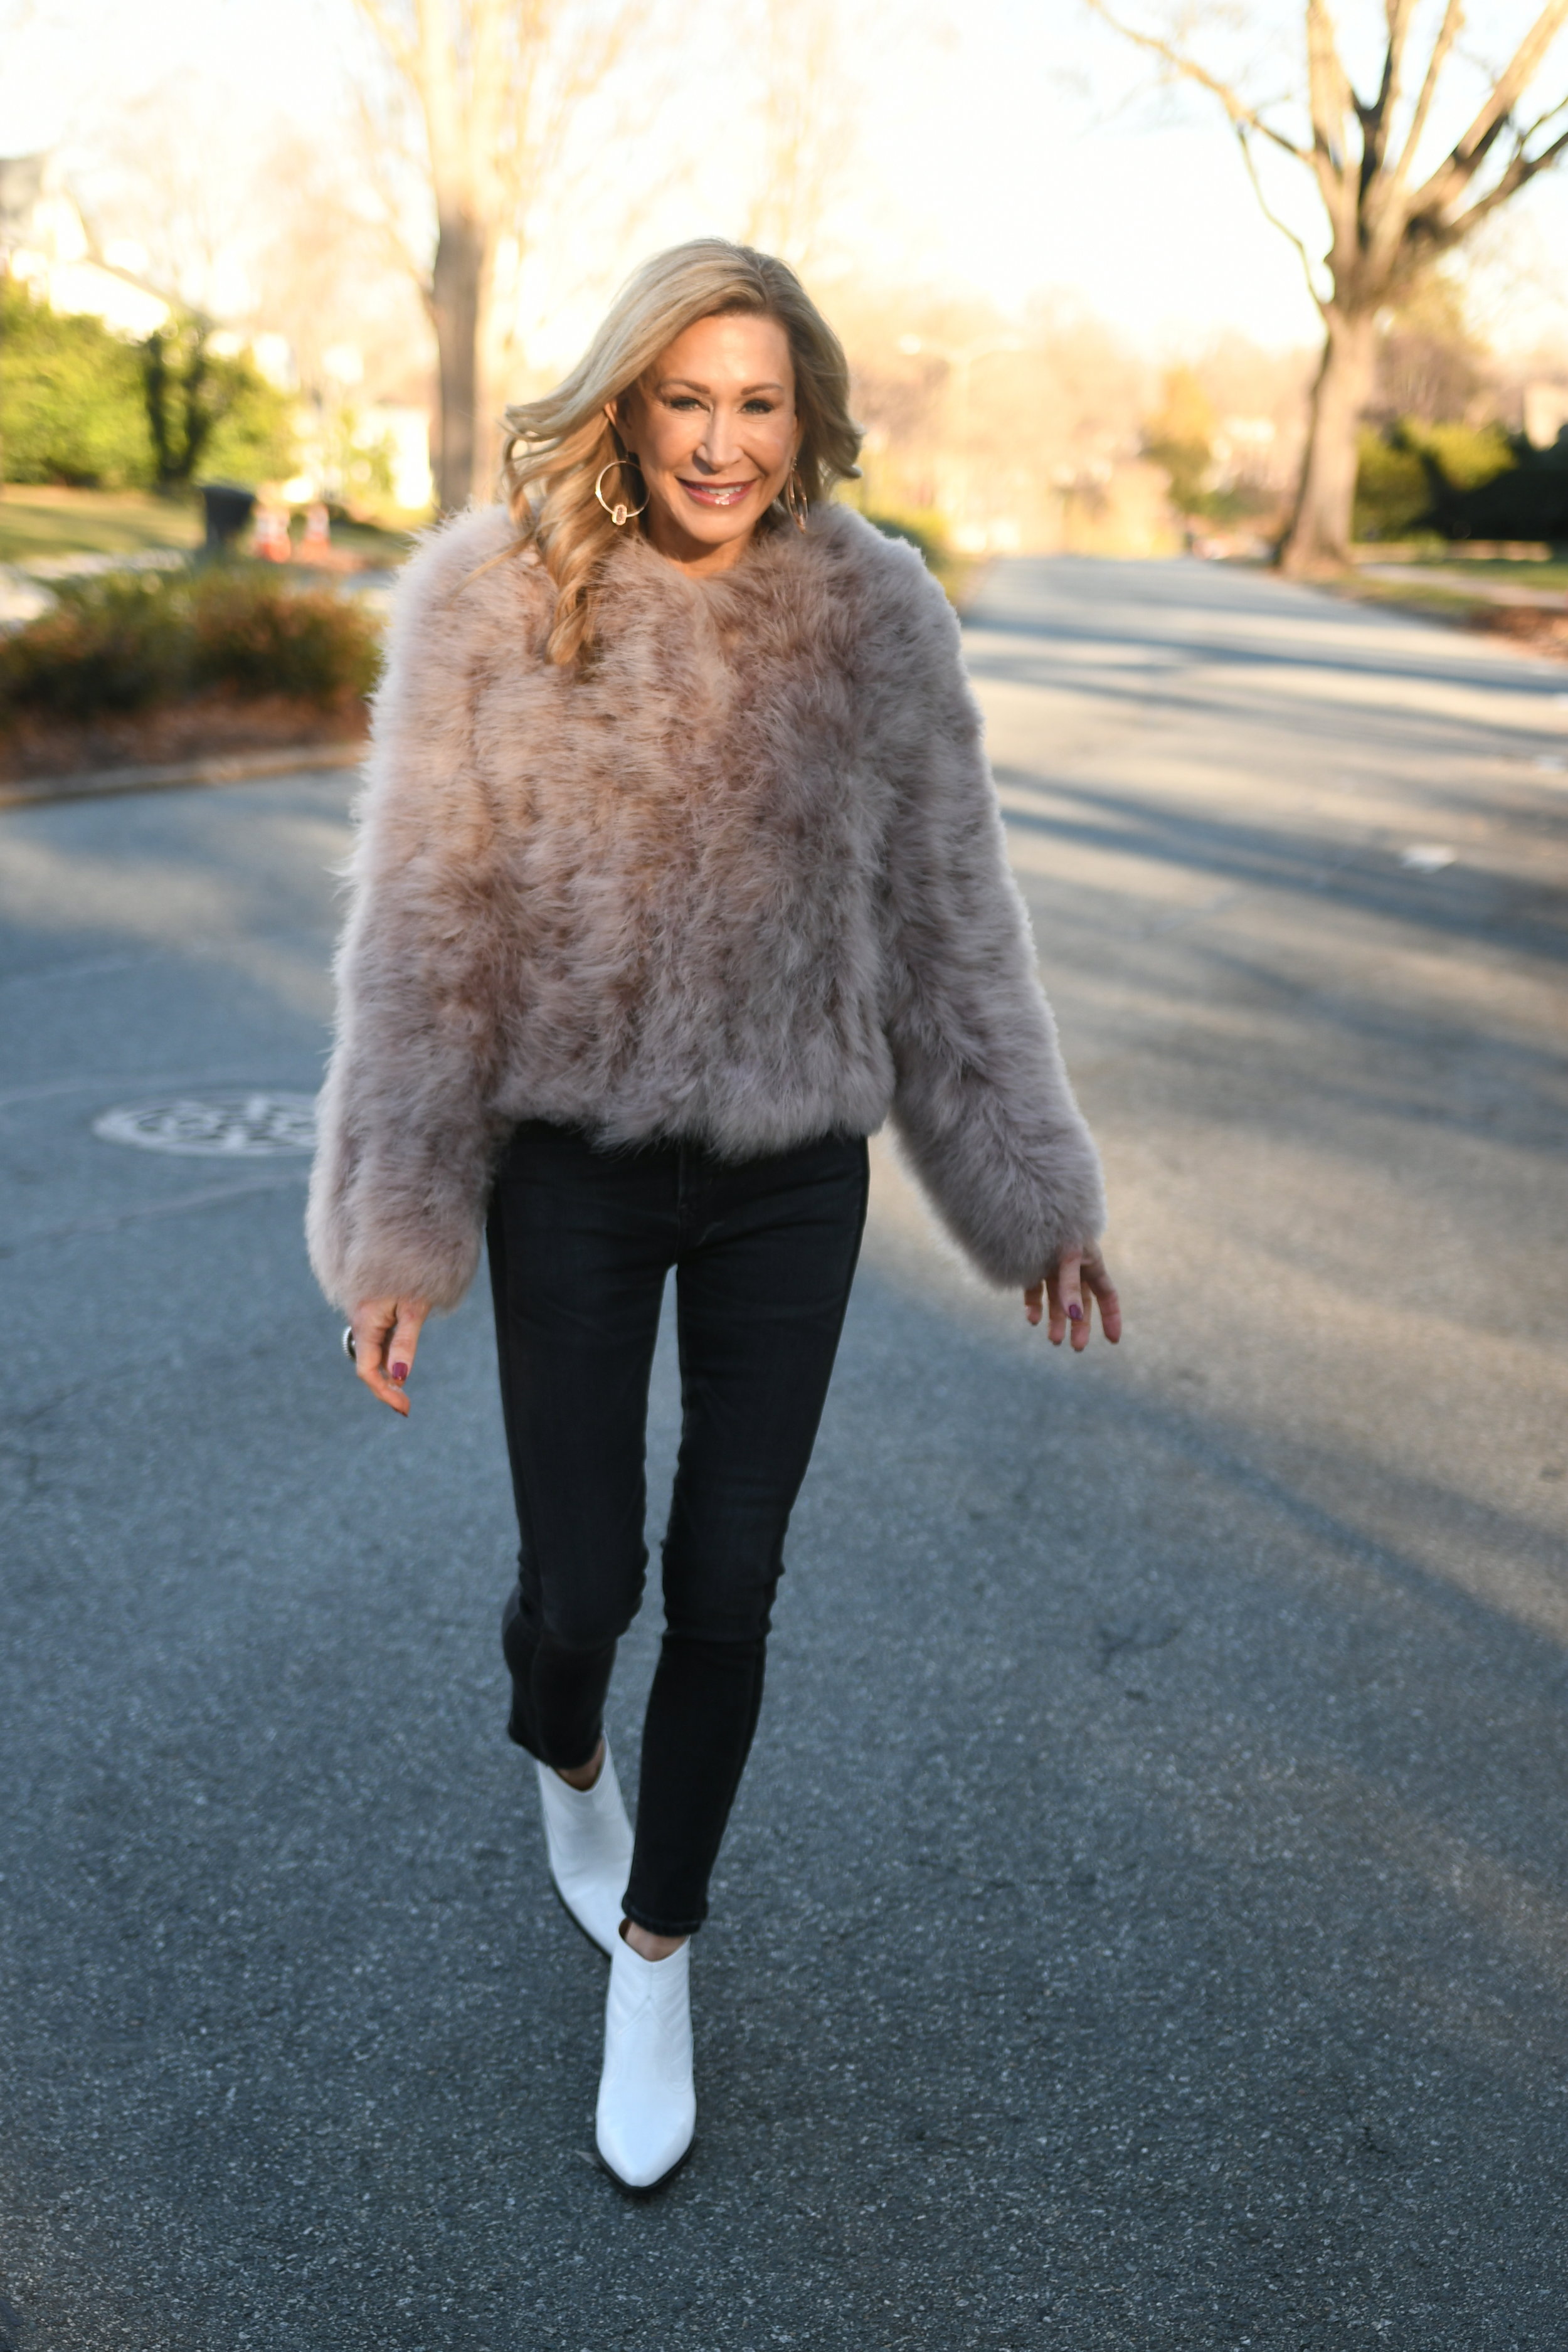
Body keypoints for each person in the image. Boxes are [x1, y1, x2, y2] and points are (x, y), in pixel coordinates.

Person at [307, 239, 1120, 2194]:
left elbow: (947, 915)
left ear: (805, 418)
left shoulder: (876, 611)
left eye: (760, 404)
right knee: (579, 1591)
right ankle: (564, 1755)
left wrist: (1038, 1194)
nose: (724, 442)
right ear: (625, 401)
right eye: (689, 398)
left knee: (732, 1577)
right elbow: (425, 929)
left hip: (788, 1184)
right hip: (570, 1171)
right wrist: (399, 1224)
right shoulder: (486, 603)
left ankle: (656, 1953)